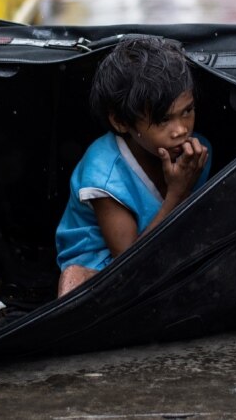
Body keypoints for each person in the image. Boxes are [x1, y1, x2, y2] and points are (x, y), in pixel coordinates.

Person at [55, 36, 212, 297]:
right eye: (163, 120)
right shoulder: (105, 176)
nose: (181, 130)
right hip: (106, 264)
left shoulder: (194, 151)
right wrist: (177, 193)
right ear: (120, 122)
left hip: (162, 244)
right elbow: (128, 265)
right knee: (82, 283)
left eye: (187, 111)